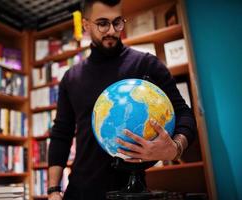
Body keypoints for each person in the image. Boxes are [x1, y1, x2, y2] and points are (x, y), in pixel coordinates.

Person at [47, 0, 197, 199]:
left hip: (132, 191)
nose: (111, 30)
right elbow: (61, 134)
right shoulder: (71, 78)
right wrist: (53, 190)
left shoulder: (147, 64)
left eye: (117, 22)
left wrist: (175, 148)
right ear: (86, 25)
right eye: (102, 23)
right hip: (80, 190)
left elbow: (184, 113)